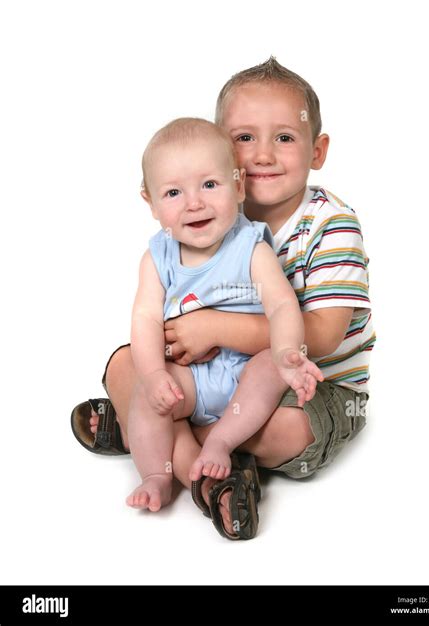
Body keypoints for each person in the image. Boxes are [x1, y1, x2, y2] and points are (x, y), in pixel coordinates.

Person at [71, 56, 375, 540]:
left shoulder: (330, 225)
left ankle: (154, 439)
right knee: (125, 366)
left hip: (306, 384)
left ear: (317, 150)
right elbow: (152, 313)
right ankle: (214, 475)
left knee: (287, 431)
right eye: (244, 138)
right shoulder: (207, 212)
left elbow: (320, 335)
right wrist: (159, 366)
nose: (262, 155)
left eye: (285, 137)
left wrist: (215, 328)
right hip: (210, 378)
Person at [125, 117, 323, 514]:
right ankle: (158, 475)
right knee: (145, 396)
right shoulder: (157, 257)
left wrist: (286, 352)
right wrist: (154, 375)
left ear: (237, 186)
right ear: (151, 203)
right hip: (190, 378)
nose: (194, 202)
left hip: (244, 372)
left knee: (268, 365)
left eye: (209, 185)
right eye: (174, 192)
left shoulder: (250, 247)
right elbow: (145, 318)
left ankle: (220, 441)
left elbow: (283, 304)